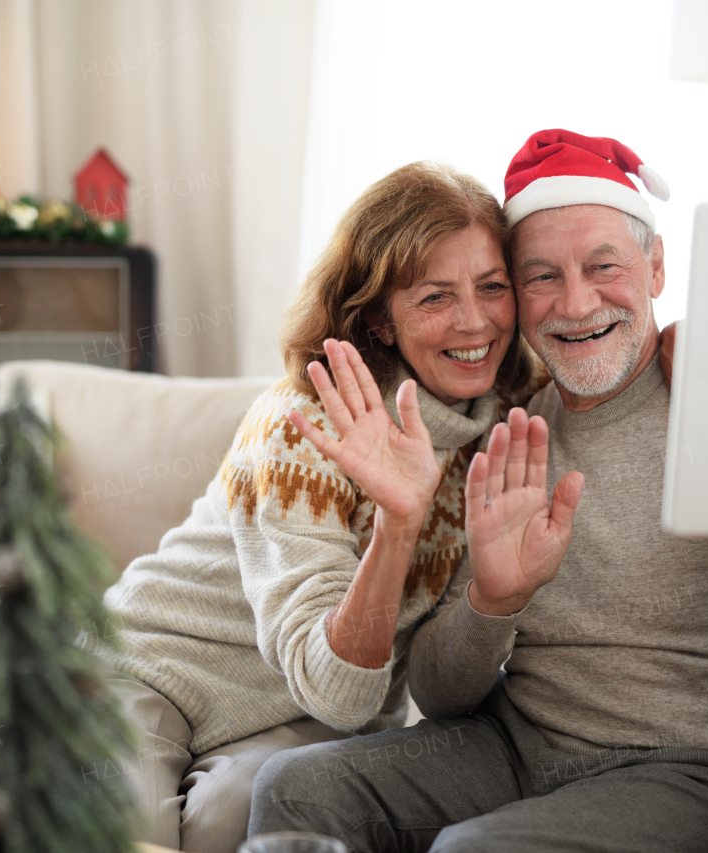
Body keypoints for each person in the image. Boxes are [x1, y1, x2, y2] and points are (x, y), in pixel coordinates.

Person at [249, 129, 708, 853]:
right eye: (541, 276)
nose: (576, 303)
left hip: (698, 771)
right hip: (515, 747)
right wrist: (493, 602)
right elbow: (439, 694)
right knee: (294, 788)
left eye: (603, 265)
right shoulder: (511, 430)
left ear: (656, 266)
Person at [93, 161, 551, 852]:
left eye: (492, 287)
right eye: (434, 296)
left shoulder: (503, 435)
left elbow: (356, 698)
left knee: (243, 825)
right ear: (379, 318)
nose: (474, 320)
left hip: (309, 709)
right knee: (123, 831)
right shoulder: (301, 424)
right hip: (148, 670)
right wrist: (398, 527)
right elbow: (329, 679)